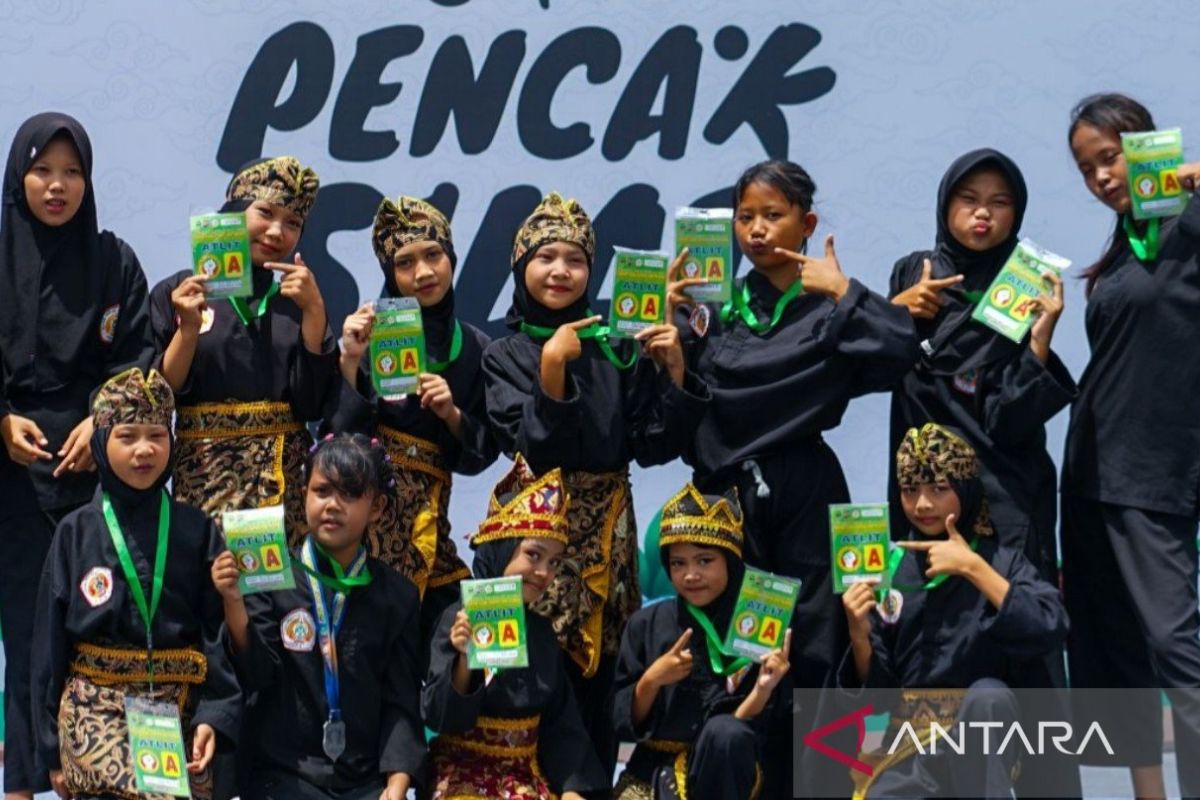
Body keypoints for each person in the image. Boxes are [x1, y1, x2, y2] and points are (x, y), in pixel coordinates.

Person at [673, 159, 918, 795]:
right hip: (730, 498)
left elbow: (902, 351)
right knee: (742, 648)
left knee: (816, 644)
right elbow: (678, 413)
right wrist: (675, 330)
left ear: (806, 224)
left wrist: (843, 290)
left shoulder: (828, 305)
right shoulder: (713, 309)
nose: (756, 229)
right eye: (745, 217)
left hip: (807, 491)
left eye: (773, 215)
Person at [482, 192, 709, 775]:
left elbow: (652, 445)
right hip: (533, 541)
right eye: (545, 257)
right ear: (520, 266)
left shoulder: (616, 349)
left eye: (576, 260)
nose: (560, 271)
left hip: (607, 541)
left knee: (601, 676)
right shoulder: (503, 354)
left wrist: (674, 370)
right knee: (525, 668)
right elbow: (532, 447)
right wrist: (552, 367)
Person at [0, 112, 153, 799]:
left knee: (97, 628)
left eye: (71, 172)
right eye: (42, 170)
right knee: (24, 632)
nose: (57, 186)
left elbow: (138, 354)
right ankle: (23, 784)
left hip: (91, 474)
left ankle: (97, 776)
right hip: (11, 475)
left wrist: (101, 423)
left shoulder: (113, 261)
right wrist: (2, 420)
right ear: (19, 178)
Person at [1061, 92, 1200, 799]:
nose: (1102, 177)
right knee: (1116, 648)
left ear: (1145, 147)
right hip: (1091, 469)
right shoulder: (1119, 252)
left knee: (1176, 643)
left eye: (1110, 158)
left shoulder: (1189, 223)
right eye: (1087, 169)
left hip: (1155, 469)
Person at [31, 368, 240, 799]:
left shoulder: (196, 529)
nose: (144, 450)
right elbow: (48, 649)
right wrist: (51, 749)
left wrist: (213, 716)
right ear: (100, 443)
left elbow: (214, 634)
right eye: (127, 437)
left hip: (176, 709)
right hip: (94, 709)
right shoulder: (75, 532)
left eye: (157, 436)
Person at [840, 423, 1068, 799]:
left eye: (939, 489)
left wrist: (973, 568)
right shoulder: (886, 570)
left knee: (989, 696)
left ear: (965, 488)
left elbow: (1050, 625)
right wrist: (858, 632)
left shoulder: (1002, 563)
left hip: (981, 748)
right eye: (910, 490)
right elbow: (878, 695)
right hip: (905, 749)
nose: (923, 504)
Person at [887, 148, 1074, 580]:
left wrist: (1039, 343)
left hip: (1006, 498)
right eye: (969, 199)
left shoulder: (1025, 286)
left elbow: (1007, 422)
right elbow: (873, 371)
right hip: (927, 499)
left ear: (1017, 213)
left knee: (1013, 612)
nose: (983, 213)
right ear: (945, 204)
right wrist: (896, 314)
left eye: (999, 202)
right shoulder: (916, 273)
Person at [211, 434, 424, 800]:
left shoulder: (398, 595)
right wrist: (233, 601)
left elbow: (401, 701)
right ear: (303, 495)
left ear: (377, 507)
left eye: (350, 493)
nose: (332, 505)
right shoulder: (272, 576)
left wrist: (397, 784)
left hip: (364, 783)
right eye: (322, 491)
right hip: (283, 777)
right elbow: (256, 673)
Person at [331, 195, 496, 639]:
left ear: (451, 257)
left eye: (433, 255)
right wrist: (350, 360)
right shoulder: (368, 337)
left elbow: (479, 455)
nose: (423, 272)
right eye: (405, 263)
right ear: (390, 273)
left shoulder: (476, 348)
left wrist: (452, 414)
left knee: (462, 634)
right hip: (366, 530)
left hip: (433, 532)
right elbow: (338, 440)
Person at [150, 155, 336, 540]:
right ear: (234, 211)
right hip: (203, 485)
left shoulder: (298, 301)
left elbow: (313, 405)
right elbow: (160, 396)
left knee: (279, 581)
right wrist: (187, 329)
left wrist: (315, 313)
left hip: (282, 497)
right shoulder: (180, 291)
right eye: (264, 212)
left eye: (293, 223)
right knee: (209, 575)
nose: (276, 231)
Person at [422, 456, 608, 800]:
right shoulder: (456, 618)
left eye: (554, 562)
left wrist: (572, 790)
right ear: (502, 548)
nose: (544, 572)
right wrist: (463, 660)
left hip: (524, 774)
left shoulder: (542, 632)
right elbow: (440, 718)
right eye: (533, 555)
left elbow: (561, 726)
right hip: (460, 769)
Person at [612, 484, 791, 800]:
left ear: (730, 562)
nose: (690, 575)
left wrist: (763, 689)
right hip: (652, 775)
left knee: (727, 734)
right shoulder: (645, 624)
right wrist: (652, 679)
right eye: (678, 563)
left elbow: (735, 735)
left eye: (704, 561)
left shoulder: (757, 622)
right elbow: (621, 721)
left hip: (726, 778)